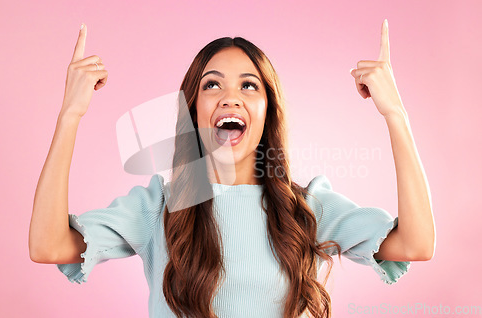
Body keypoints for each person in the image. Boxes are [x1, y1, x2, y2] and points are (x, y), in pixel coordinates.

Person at [29, 20, 435, 318]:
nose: (230, 98)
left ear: (267, 110)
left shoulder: (308, 209)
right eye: (211, 85)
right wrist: (70, 114)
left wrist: (395, 113)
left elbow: (417, 244)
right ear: (193, 111)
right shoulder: (158, 206)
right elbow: (47, 246)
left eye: (249, 85)